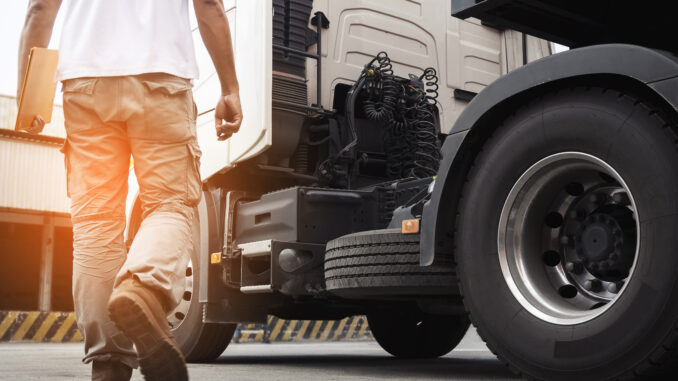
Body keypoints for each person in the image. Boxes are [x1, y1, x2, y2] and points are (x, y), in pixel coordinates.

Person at [17, 0, 243, 380]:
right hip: (162, 79)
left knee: (94, 226)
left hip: (86, 85)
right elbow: (208, 5)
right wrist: (229, 88)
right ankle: (143, 287)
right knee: (170, 205)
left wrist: (30, 94)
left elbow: (40, 9)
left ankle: (109, 363)